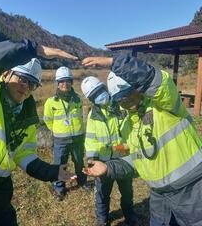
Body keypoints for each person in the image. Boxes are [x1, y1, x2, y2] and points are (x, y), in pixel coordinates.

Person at [0, 39, 78, 225]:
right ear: (5, 74)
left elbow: (24, 154)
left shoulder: (26, 117)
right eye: (22, 79)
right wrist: (32, 50)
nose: (26, 87)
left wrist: (52, 172)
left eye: (32, 84)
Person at [82, 55, 202, 226]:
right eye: (120, 99)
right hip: (159, 196)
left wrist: (116, 63)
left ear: (137, 88)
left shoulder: (164, 105)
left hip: (191, 189)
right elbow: (137, 159)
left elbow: (156, 80)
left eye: (128, 94)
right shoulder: (129, 125)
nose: (126, 101)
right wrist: (108, 167)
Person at [81, 76, 136, 226]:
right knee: (102, 193)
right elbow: (91, 139)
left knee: (127, 192)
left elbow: (132, 129)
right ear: (91, 99)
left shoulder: (121, 106)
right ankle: (102, 219)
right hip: (102, 162)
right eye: (94, 95)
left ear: (105, 88)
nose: (99, 96)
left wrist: (125, 147)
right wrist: (92, 160)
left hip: (123, 159)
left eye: (100, 91)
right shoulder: (94, 115)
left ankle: (129, 215)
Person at [43, 66, 88, 201]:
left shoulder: (78, 99)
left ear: (71, 82)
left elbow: (81, 116)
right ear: (58, 83)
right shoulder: (51, 102)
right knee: (60, 164)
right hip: (60, 140)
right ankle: (59, 188)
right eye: (62, 81)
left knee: (79, 162)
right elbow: (48, 120)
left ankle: (82, 182)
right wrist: (58, 131)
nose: (65, 84)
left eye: (68, 81)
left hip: (78, 138)